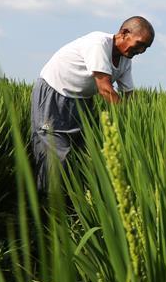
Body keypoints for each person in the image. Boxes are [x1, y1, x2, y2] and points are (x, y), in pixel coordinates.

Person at [31, 16, 154, 192]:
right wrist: (129, 122)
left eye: (146, 48)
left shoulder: (126, 60)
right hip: (55, 93)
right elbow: (105, 89)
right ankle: (48, 208)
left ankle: (73, 203)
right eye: (140, 43)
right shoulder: (99, 43)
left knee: (82, 154)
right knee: (55, 155)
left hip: (82, 100)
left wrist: (138, 124)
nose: (141, 50)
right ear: (124, 33)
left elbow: (129, 96)